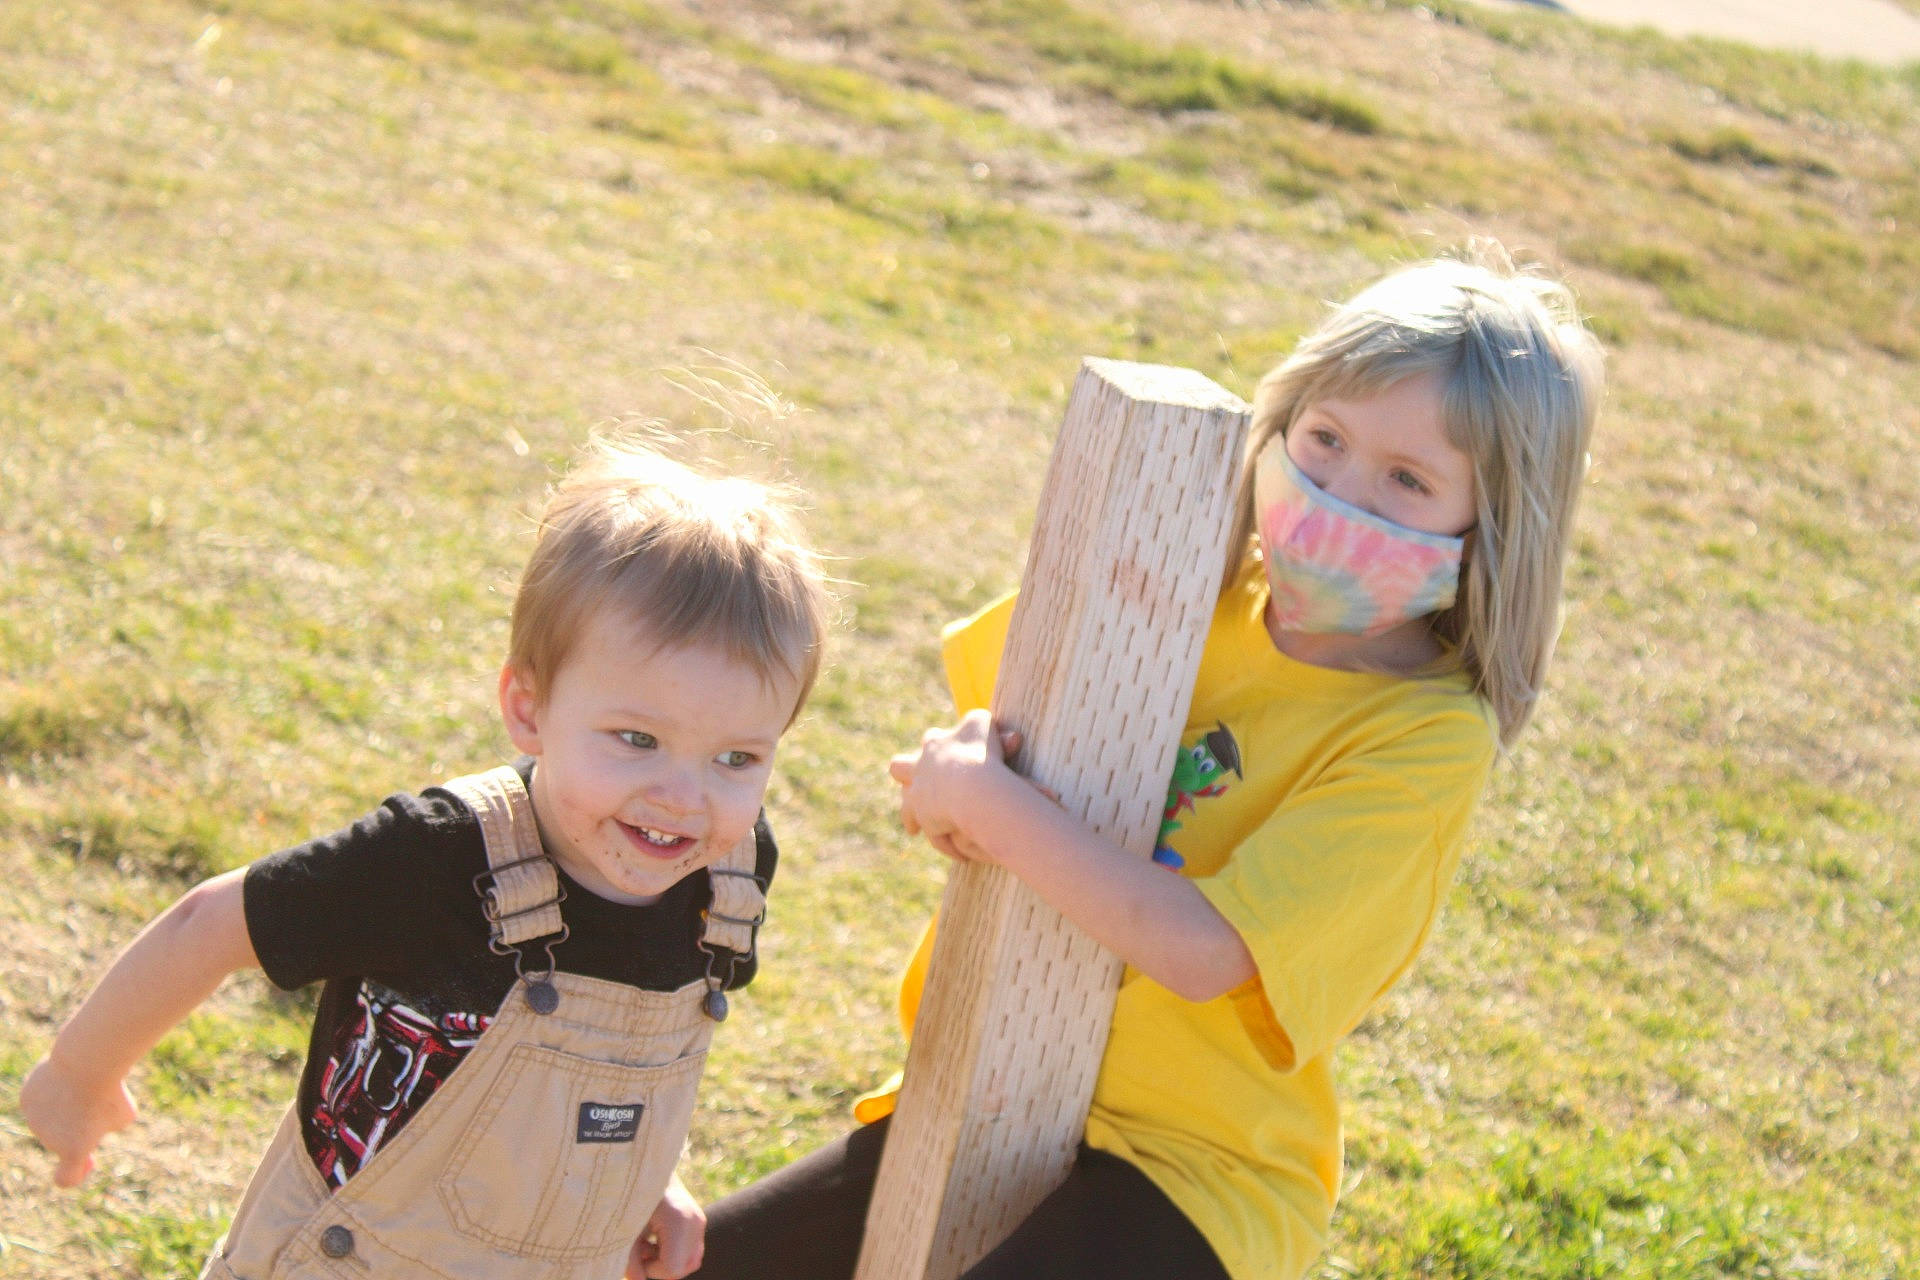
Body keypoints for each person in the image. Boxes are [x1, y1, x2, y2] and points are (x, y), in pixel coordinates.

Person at [687, 247, 1603, 1280]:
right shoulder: (1193, 576)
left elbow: (1207, 948)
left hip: (1191, 1177)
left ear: (1494, 525)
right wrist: (966, 783)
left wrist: (997, 810)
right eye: (1325, 438)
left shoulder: (1424, 734)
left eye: (1408, 478)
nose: (1337, 493)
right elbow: (1010, 733)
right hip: (1004, 1079)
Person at [20, 437, 834, 1280]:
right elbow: (214, 923)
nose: (683, 797)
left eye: (737, 759)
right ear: (529, 707)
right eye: (637, 739)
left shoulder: (726, 881)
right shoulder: (439, 860)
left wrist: (641, 1182)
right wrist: (80, 1074)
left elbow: (607, 1085)